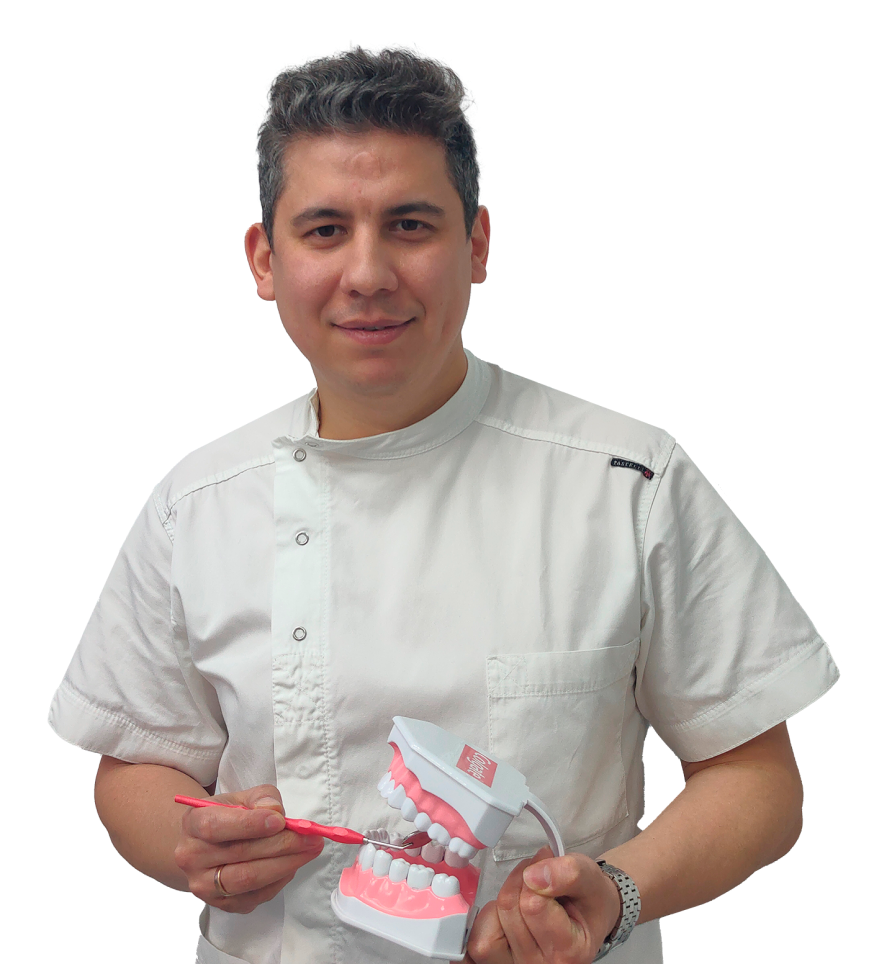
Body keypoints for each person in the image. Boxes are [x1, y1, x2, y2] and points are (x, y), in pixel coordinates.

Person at [42, 37, 843, 964]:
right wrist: (191, 847)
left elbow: (754, 779)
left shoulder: (628, 477)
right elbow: (136, 765)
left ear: (477, 245)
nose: (368, 274)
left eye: (410, 225)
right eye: (324, 229)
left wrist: (616, 893)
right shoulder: (196, 500)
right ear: (263, 259)